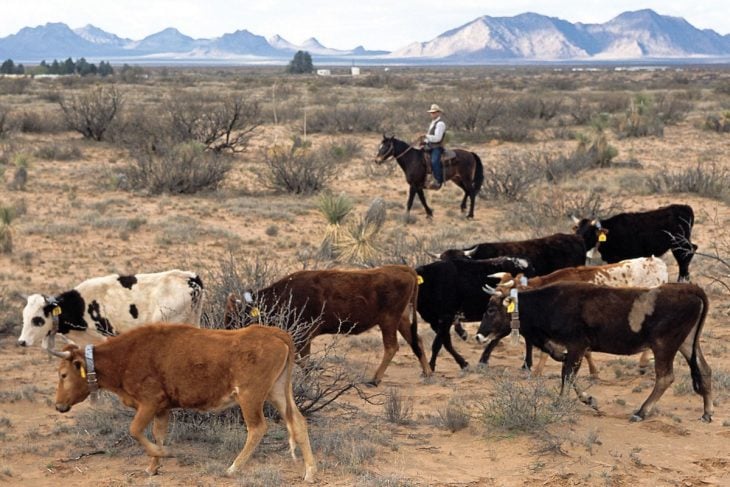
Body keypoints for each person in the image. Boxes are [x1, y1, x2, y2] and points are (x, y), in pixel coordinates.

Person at [423, 104, 446, 190]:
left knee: (434, 161)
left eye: (434, 112)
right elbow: (430, 136)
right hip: (429, 146)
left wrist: (426, 137)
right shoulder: (432, 123)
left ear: (438, 113)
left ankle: (438, 181)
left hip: (437, 147)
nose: (432, 114)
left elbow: (437, 138)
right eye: (431, 113)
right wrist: (424, 140)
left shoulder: (440, 124)